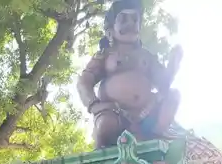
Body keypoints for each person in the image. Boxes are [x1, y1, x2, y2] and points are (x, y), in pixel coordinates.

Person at [77, 0, 183, 148]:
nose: (130, 24)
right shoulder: (105, 55)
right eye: (123, 19)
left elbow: (163, 85)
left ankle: (155, 136)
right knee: (105, 125)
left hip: (147, 113)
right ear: (110, 29)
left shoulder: (147, 57)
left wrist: (172, 67)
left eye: (135, 19)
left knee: (173, 96)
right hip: (115, 114)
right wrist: (93, 105)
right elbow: (84, 81)